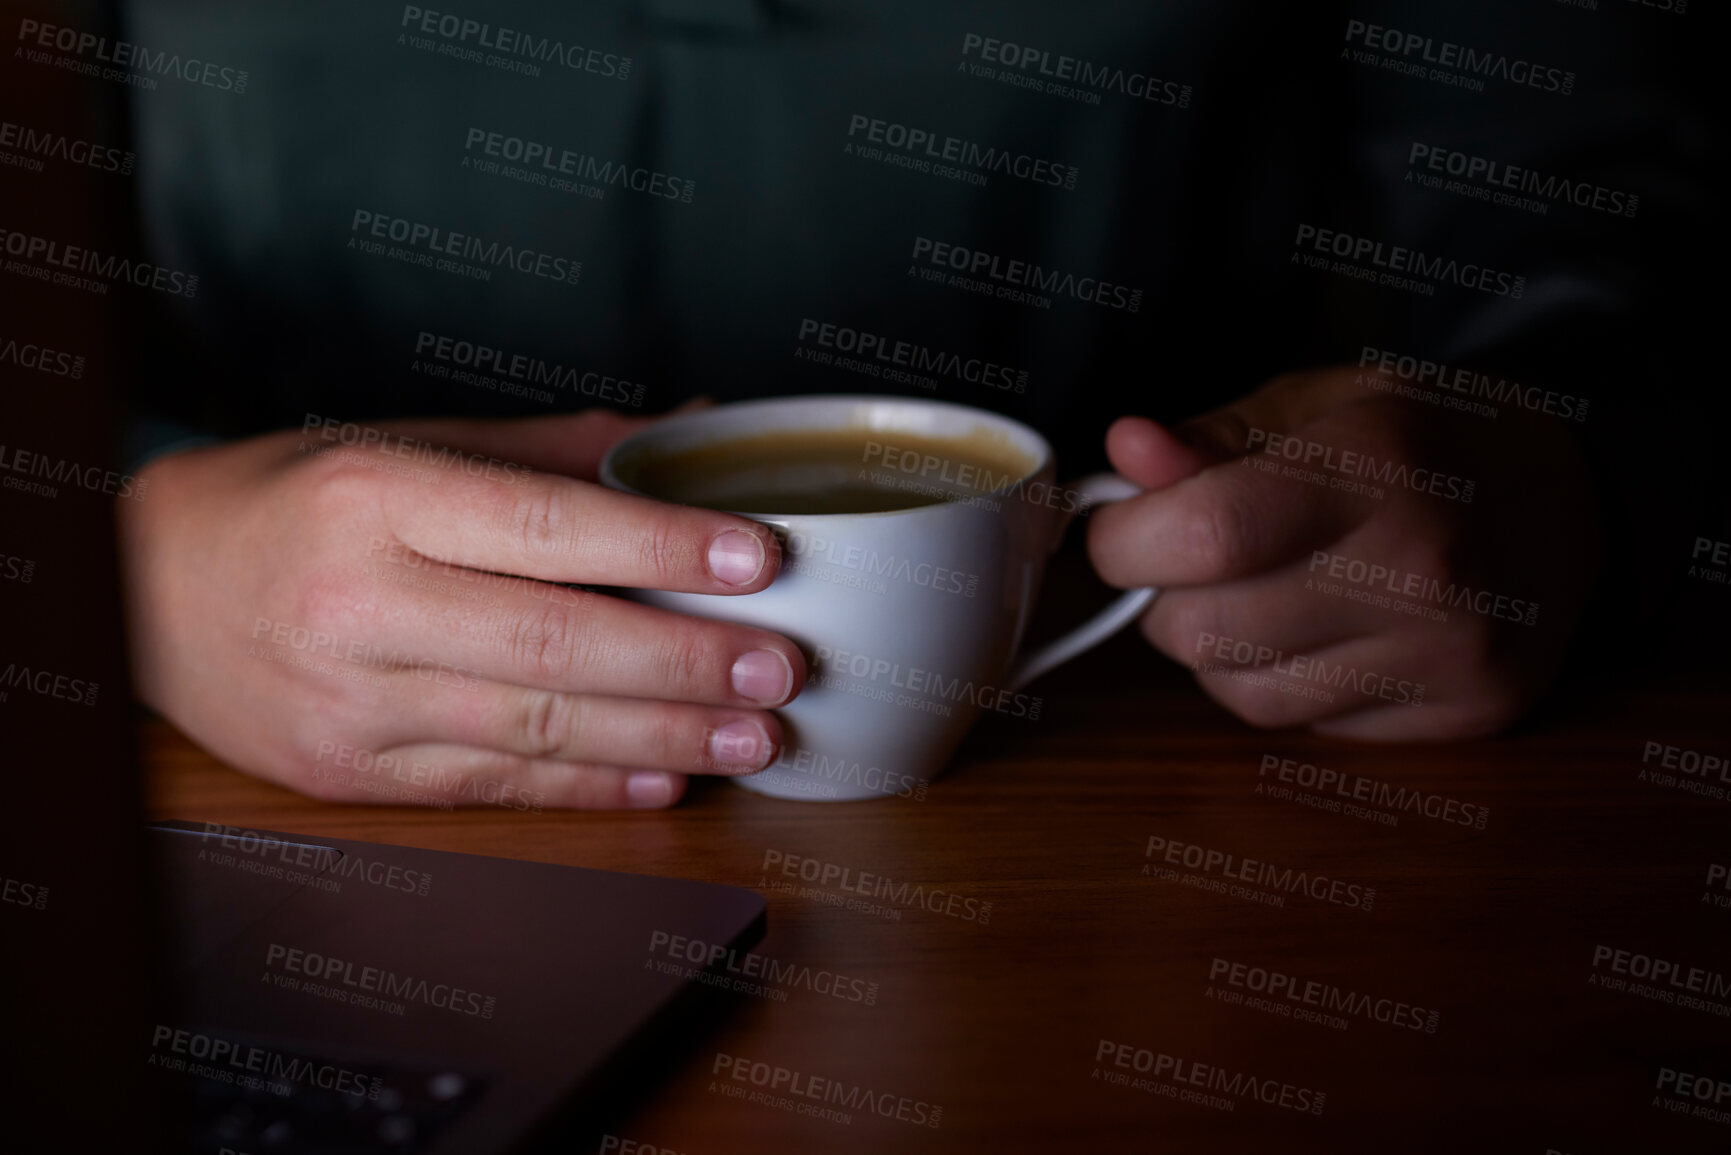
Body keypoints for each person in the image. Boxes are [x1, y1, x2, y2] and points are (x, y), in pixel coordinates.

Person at [104, 1, 1708, 807]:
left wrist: (1572, 477)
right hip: (276, 826)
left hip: (1163, 790)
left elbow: (1595, 234)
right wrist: (117, 554)